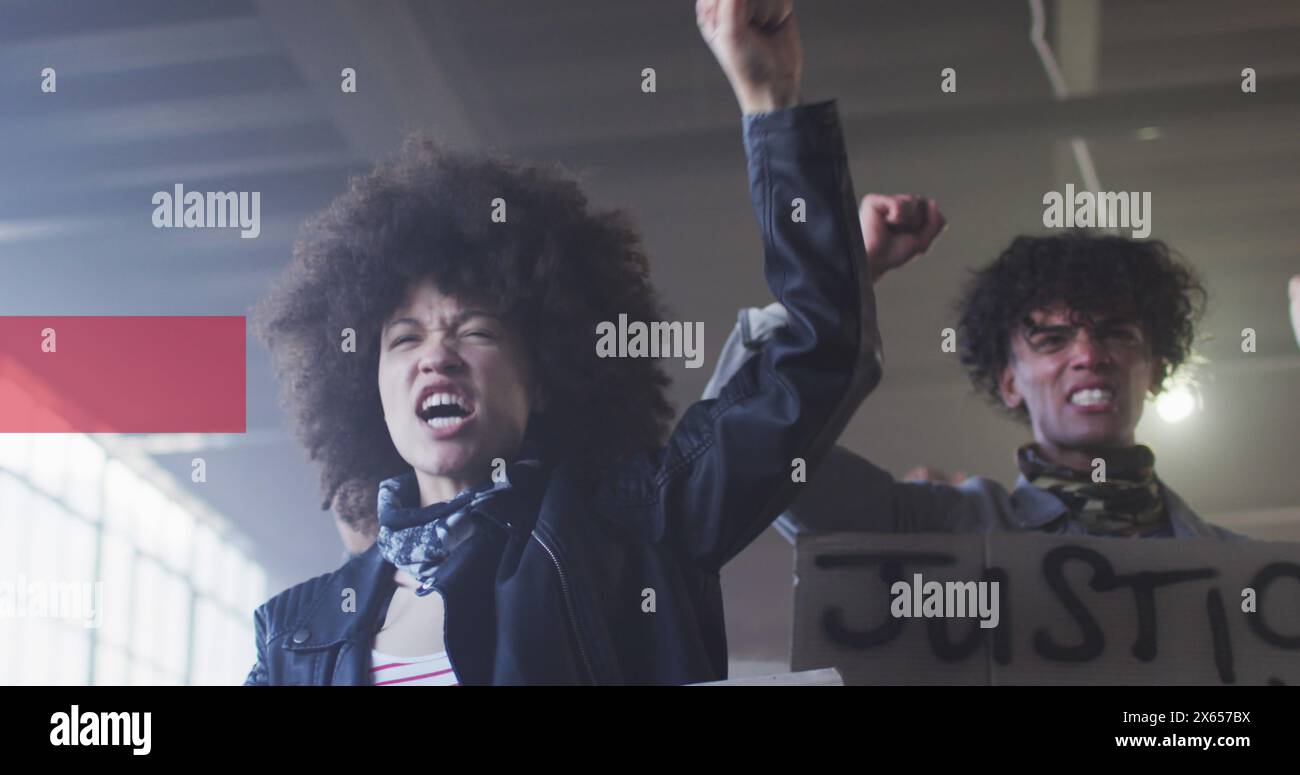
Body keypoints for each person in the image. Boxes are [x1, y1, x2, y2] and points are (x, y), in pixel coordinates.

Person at [243, 0, 928, 685]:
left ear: (541, 376)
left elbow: (819, 355)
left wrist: (772, 103)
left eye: (476, 329)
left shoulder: (636, 526)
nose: (437, 354)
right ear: (370, 388)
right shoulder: (298, 637)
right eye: (404, 338)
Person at [710, 218, 1242, 540]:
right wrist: (842, 281)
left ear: (1155, 368)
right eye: (1052, 339)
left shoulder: (1246, 577)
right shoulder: (934, 532)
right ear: (1009, 381)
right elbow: (735, 441)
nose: (1089, 353)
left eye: (1116, 331)